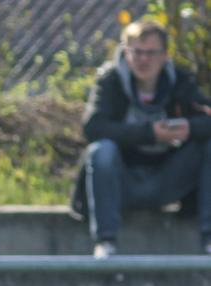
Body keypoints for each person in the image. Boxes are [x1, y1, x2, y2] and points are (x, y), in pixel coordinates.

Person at [69, 20, 211, 258]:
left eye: (151, 53)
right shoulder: (110, 81)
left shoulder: (181, 81)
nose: (143, 60)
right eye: (137, 52)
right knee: (101, 150)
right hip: (123, 181)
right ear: (126, 52)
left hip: (168, 178)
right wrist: (150, 133)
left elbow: (206, 119)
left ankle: (208, 239)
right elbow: (93, 127)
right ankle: (106, 243)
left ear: (165, 55)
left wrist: (189, 128)